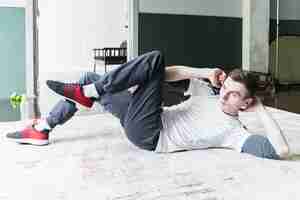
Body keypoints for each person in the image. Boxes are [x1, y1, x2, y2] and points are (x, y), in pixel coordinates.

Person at [6, 51, 290, 160]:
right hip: (145, 117)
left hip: (151, 134)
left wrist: (261, 110)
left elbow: (281, 151)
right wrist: (202, 72)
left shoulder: (234, 133)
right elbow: (165, 75)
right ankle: (42, 128)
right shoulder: (208, 94)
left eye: (232, 95)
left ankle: (89, 92)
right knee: (88, 79)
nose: (224, 95)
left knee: (153, 58)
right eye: (225, 88)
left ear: (246, 103)